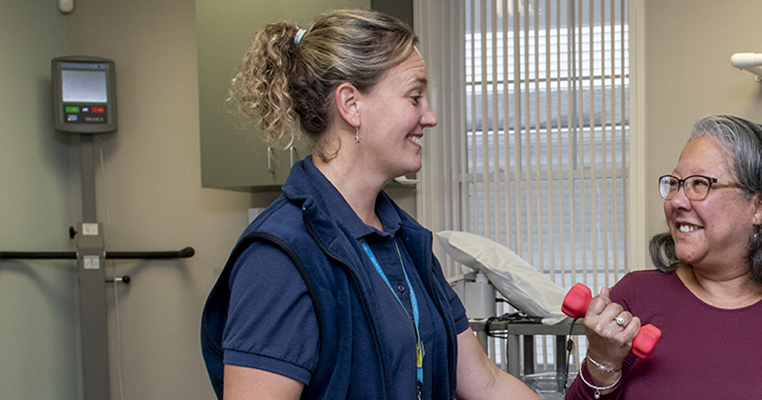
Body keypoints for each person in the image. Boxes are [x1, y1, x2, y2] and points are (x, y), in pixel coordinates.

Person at [199, 9, 537, 400]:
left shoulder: (404, 241)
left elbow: (487, 384)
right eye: (414, 97)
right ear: (351, 104)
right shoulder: (280, 259)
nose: (430, 117)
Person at [566, 115, 762, 399]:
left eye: (700, 184)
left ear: (760, 206)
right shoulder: (633, 298)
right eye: (675, 183)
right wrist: (603, 364)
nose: (677, 200)